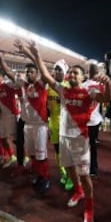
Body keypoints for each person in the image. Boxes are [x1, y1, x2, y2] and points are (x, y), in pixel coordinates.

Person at [15, 39, 111, 222]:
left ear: (83, 77)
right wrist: (36, 54)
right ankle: (78, 192)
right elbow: (45, 74)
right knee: (70, 169)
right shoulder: (63, 89)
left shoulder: (88, 92)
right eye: (71, 73)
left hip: (80, 141)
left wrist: (107, 84)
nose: (72, 75)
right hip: (64, 138)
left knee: (85, 176)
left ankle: (89, 209)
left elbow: (106, 98)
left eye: (76, 73)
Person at [0, 37, 50, 192]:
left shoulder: (42, 84)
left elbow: (41, 67)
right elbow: (7, 71)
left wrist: (31, 53)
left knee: (41, 154)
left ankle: (44, 178)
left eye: (32, 72)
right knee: (31, 154)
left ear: (37, 73)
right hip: (27, 125)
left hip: (40, 126)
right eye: (27, 72)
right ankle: (37, 174)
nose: (29, 74)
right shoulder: (22, 85)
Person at [47, 59, 73, 190]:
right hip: (53, 124)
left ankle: (71, 176)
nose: (57, 72)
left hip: (67, 125)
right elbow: (46, 107)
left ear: (65, 72)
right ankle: (63, 173)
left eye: (60, 69)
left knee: (67, 152)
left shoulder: (68, 86)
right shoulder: (49, 87)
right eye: (55, 69)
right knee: (57, 151)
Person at [84, 63, 104, 177]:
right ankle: (93, 169)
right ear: (97, 73)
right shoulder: (100, 86)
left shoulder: (83, 85)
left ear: (88, 72)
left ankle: (83, 167)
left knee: (83, 146)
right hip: (95, 121)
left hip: (83, 121)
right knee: (93, 146)